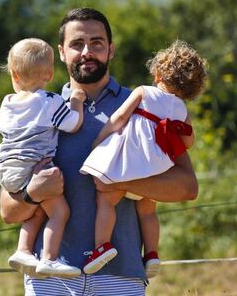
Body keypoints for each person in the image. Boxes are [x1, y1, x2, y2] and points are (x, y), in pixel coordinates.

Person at [0, 8, 199, 296]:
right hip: (50, 279)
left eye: (96, 43)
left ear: (111, 50)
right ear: (62, 53)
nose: (86, 52)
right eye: (77, 44)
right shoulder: (39, 110)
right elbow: (8, 211)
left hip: (120, 278)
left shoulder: (147, 106)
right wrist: (34, 192)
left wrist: (121, 181)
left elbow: (187, 187)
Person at [80, 40, 207, 277]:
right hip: (155, 168)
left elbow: (118, 118)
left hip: (129, 162)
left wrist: (99, 140)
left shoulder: (143, 91)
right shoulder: (182, 109)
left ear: (158, 73)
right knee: (148, 212)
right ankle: (151, 254)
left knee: (106, 200)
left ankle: (102, 247)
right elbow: (188, 142)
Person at [0, 38, 86, 277]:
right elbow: (73, 124)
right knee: (59, 212)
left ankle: (23, 250)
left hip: (7, 170)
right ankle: (49, 258)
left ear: (14, 74)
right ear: (49, 73)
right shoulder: (50, 101)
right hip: (36, 168)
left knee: (38, 209)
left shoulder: (7, 103)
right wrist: (75, 101)